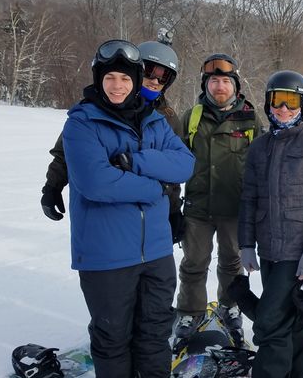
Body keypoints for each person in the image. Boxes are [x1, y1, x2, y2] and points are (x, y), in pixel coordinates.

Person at [61, 39, 194, 376]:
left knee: (154, 335)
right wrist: (154, 187)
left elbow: (184, 165)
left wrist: (135, 161)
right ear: (98, 79)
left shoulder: (155, 120)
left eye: (125, 78)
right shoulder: (82, 123)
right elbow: (95, 183)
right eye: (110, 78)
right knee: (113, 338)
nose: (118, 86)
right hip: (107, 255)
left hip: (157, 252)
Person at [238, 70, 303, 378]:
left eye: (291, 102)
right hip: (269, 250)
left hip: (298, 254)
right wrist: (245, 243)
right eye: (277, 101)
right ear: (268, 103)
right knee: (293, 320)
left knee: (269, 324)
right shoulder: (259, 147)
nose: (283, 109)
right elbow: (249, 199)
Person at [41, 36, 185, 244]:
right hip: (108, 213)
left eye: (163, 77)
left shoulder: (168, 118)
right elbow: (67, 153)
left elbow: (172, 171)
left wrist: (173, 210)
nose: (155, 81)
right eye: (150, 72)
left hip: (149, 214)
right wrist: (52, 186)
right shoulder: (99, 106)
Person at [174, 53, 262, 340]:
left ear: (235, 86)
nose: (220, 87)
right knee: (194, 263)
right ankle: (189, 312)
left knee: (232, 264)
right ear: (205, 85)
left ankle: (230, 306)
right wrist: (172, 207)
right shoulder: (192, 117)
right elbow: (174, 163)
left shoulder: (250, 120)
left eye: (225, 81)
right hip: (198, 208)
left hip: (235, 209)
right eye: (214, 81)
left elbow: (264, 166)